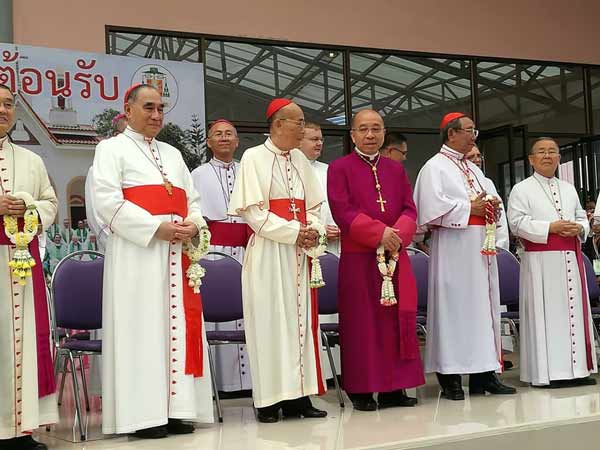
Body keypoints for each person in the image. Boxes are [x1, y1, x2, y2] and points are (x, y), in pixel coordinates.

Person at [90, 84, 213, 438]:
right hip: (138, 256)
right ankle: (144, 416)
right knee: (142, 330)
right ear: (128, 110)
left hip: (177, 255)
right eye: (148, 107)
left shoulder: (173, 154)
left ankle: (178, 410)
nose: (156, 115)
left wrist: (193, 224)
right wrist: (156, 228)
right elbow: (107, 203)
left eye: (160, 108)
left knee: (176, 326)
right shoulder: (110, 149)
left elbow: (193, 200)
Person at [228, 98, 327, 423]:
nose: (302, 128)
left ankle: (299, 397)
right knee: (271, 326)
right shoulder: (254, 158)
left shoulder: (300, 159)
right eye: (298, 122)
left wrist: (311, 230)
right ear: (278, 124)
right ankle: (268, 401)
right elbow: (254, 214)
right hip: (270, 252)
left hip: (299, 255)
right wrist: (293, 232)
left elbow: (315, 206)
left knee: (299, 324)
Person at [413, 112, 516, 400]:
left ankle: (484, 375)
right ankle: (451, 379)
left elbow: (485, 200)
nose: (473, 136)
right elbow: (429, 209)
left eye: (474, 131)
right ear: (451, 134)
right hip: (454, 249)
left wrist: (489, 206)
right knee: (454, 311)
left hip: (480, 249)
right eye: (469, 131)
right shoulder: (434, 168)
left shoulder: (473, 169)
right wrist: (470, 209)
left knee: (482, 311)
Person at [328, 109, 424, 411]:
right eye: (363, 129)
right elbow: (341, 210)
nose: (370, 135)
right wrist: (378, 232)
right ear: (353, 134)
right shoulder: (339, 168)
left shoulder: (395, 170)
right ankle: (362, 388)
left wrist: (399, 233)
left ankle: (394, 387)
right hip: (360, 258)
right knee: (362, 324)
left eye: (376, 129)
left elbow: (410, 208)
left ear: (384, 133)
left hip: (395, 255)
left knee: (395, 323)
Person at [508, 137, 597, 387]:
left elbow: (582, 217)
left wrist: (578, 228)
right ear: (531, 159)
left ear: (559, 158)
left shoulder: (569, 188)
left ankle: (577, 371)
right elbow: (517, 222)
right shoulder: (521, 189)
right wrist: (551, 227)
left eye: (552, 152)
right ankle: (548, 374)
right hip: (540, 263)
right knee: (546, 316)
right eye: (541, 152)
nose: (547, 156)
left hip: (571, 257)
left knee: (573, 315)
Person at [0, 83, 58, 450]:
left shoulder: (32, 160)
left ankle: (22, 429)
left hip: (21, 265)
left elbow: (50, 204)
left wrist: (27, 206)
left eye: (8, 104)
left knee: (22, 343)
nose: (3, 110)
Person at [191, 119, 252, 394]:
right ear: (209, 142)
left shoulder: (249, 171)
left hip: (249, 250)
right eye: (218, 134)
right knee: (219, 313)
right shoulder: (198, 175)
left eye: (230, 134)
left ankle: (252, 382)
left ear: (237, 141)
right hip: (215, 254)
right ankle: (222, 384)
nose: (224, 138)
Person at [298, 122, 340, 256]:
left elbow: (338, 205)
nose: (319, 143)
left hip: (332, 245)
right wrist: (318, 229)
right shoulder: (289, 170)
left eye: (321, 139)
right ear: (299, 141)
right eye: (314, 139)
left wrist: (339, 228)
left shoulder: (329, 170)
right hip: (303, 243)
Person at [466, 145, 509, 250]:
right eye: (471, 157)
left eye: (478, 156)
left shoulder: (488, 182)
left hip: (491, 243)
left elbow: (500, 217)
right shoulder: (456, 181)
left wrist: (501, 244)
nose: (476, 160)